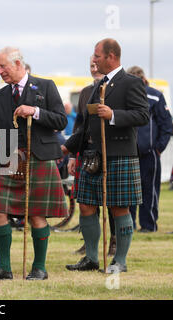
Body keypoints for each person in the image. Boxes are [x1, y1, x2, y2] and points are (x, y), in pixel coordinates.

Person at [0, 46, 68, 281]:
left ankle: (39, 268)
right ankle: (4, 268)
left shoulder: (45, 86)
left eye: (3, 66)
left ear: (18, 64)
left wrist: (36, 111)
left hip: (39, 158)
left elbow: (60, 120)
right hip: (10, 159)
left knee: (36, 214)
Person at [63, 38, 149, 274]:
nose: (94, 59)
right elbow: (84, 126)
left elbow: (143, 115)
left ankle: (119, 261)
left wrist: (113, 115)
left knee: (119, 208)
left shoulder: (131, 83)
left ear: (111, 56)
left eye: (97, 56)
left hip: (119, 154)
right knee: (87, 206)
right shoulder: (97, 86)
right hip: (92, 156)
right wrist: (67, 148)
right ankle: (91, 258)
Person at [70, 56, 117, 257]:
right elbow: (79, 124)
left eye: (97, 64)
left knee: (113, 202)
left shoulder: (116, 89)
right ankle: (90, 244)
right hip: (88, 152)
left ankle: (114, 240)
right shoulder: (86, 93)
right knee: (87, 201)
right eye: (91, 65)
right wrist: (73, 154)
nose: (94, 68)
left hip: (111, 152)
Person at [127, 66, 173, 232]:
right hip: (128, 152)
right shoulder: (125, 96)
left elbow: (167, 125)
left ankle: (148, 225)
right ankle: (128, 224)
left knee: (150, 190)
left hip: (150, 153)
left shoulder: (155, 95)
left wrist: (158, 148)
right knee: (128, 191)